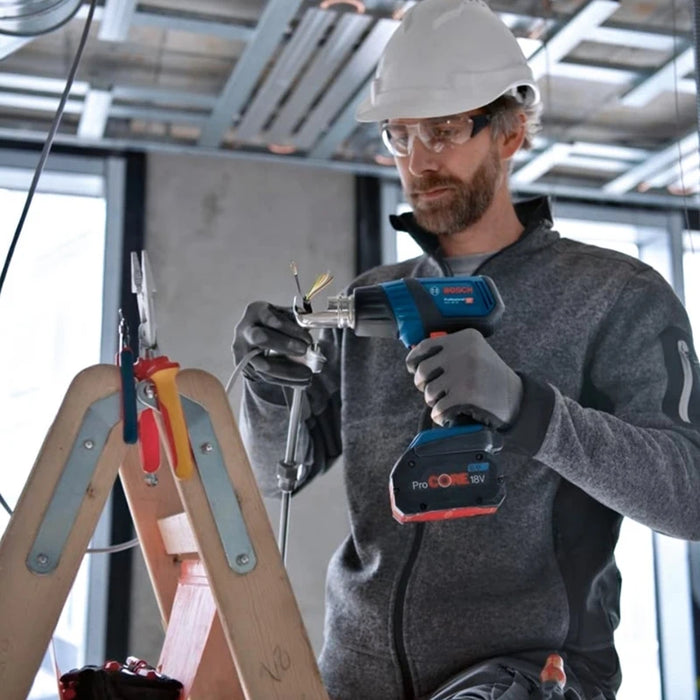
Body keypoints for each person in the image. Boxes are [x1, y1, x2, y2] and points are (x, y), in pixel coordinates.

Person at [233, 0, 700, 698]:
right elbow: (278, 473)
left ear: (509, 132)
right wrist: (271, 387)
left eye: (445, 131)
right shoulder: (373, 300)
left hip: (532, 681)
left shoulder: (614, 294)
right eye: (399, 135)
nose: (419, 162)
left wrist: (527, 408)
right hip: (353, 680)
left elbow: (688, 495)